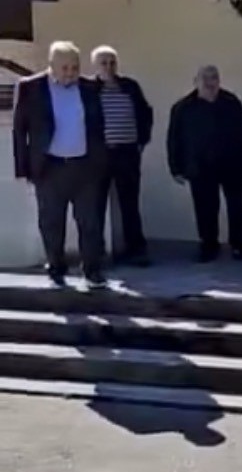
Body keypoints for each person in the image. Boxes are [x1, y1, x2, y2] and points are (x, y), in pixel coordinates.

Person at [12, 40, 107, 288]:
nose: (70, 73)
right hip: (50, 166)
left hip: (84, 166)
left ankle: (92, 270)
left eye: (74, 68)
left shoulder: (89, 88)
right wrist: (23, 168)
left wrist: (101, 161)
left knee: (90, 221)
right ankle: (56, 266)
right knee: (51, 221)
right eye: (64, 68)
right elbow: (19, 130)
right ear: (51, 65)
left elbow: (98, 126)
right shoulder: (30, 88)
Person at [166, 66, 242, 262]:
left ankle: (239, 245)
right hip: (199, 167)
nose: (209, 82)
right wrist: (176, 168)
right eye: (204, 78)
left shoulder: (231, 103)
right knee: (205, 208)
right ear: (195, 81)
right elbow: (174, 140)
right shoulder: (183, 108)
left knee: (235, 206)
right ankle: (209, 245)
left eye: (213, 78)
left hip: (231, 165)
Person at [92, 45, 153, 267]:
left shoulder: (129, 87)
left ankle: (135, 250)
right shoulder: (89, 89)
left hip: (127, 152)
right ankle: (96, 252)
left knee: (129, 202)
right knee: (96, 204)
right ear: (96, 66)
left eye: (112, 62)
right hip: (100, 154)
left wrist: (141, 140)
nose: (109, 67)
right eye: (104, 63)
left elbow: (145, 113)